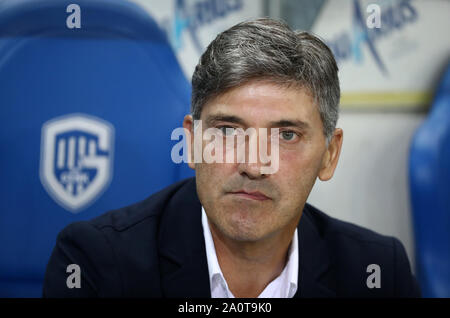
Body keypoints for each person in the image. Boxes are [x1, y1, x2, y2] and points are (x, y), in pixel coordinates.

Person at [43, 18, 420, 298]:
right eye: (227, 131)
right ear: (191, 142)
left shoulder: (377, 272)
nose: (254, 166)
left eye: (286, 135)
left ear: (329, 155)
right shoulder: (96, 263)